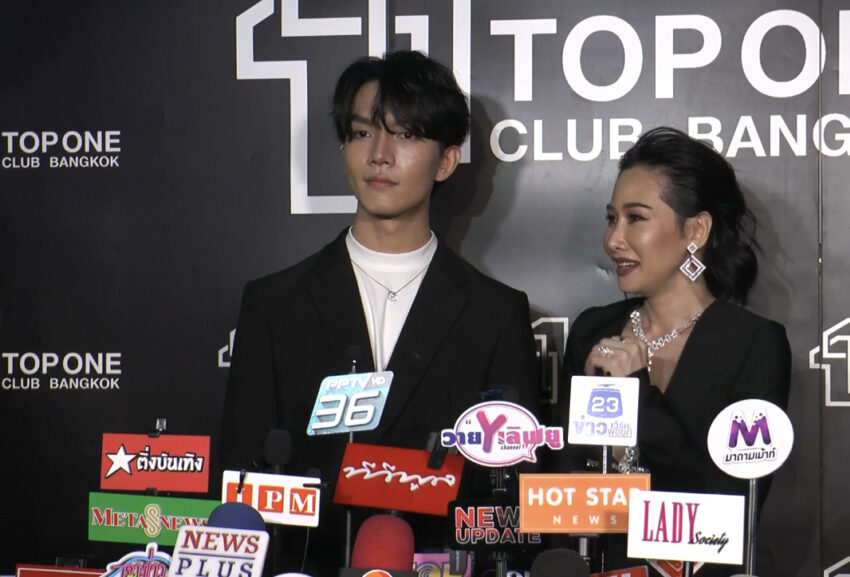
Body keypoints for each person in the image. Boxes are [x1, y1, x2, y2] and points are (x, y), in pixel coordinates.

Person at [220, 50, 538, 576]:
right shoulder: (274, 304)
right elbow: (240, 487)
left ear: (446, 160)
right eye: (363, 132)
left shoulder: (495, 315)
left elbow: (509, 503)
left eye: (406, 135)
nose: (380, 155)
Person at [559, 127, 791, 575]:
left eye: (636, 218)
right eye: (612, 218)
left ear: (696, 230)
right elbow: (563, 489)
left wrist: (636, 394)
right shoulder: (593, 331)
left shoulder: (752, 345)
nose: (613, 240)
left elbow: (730, 511)